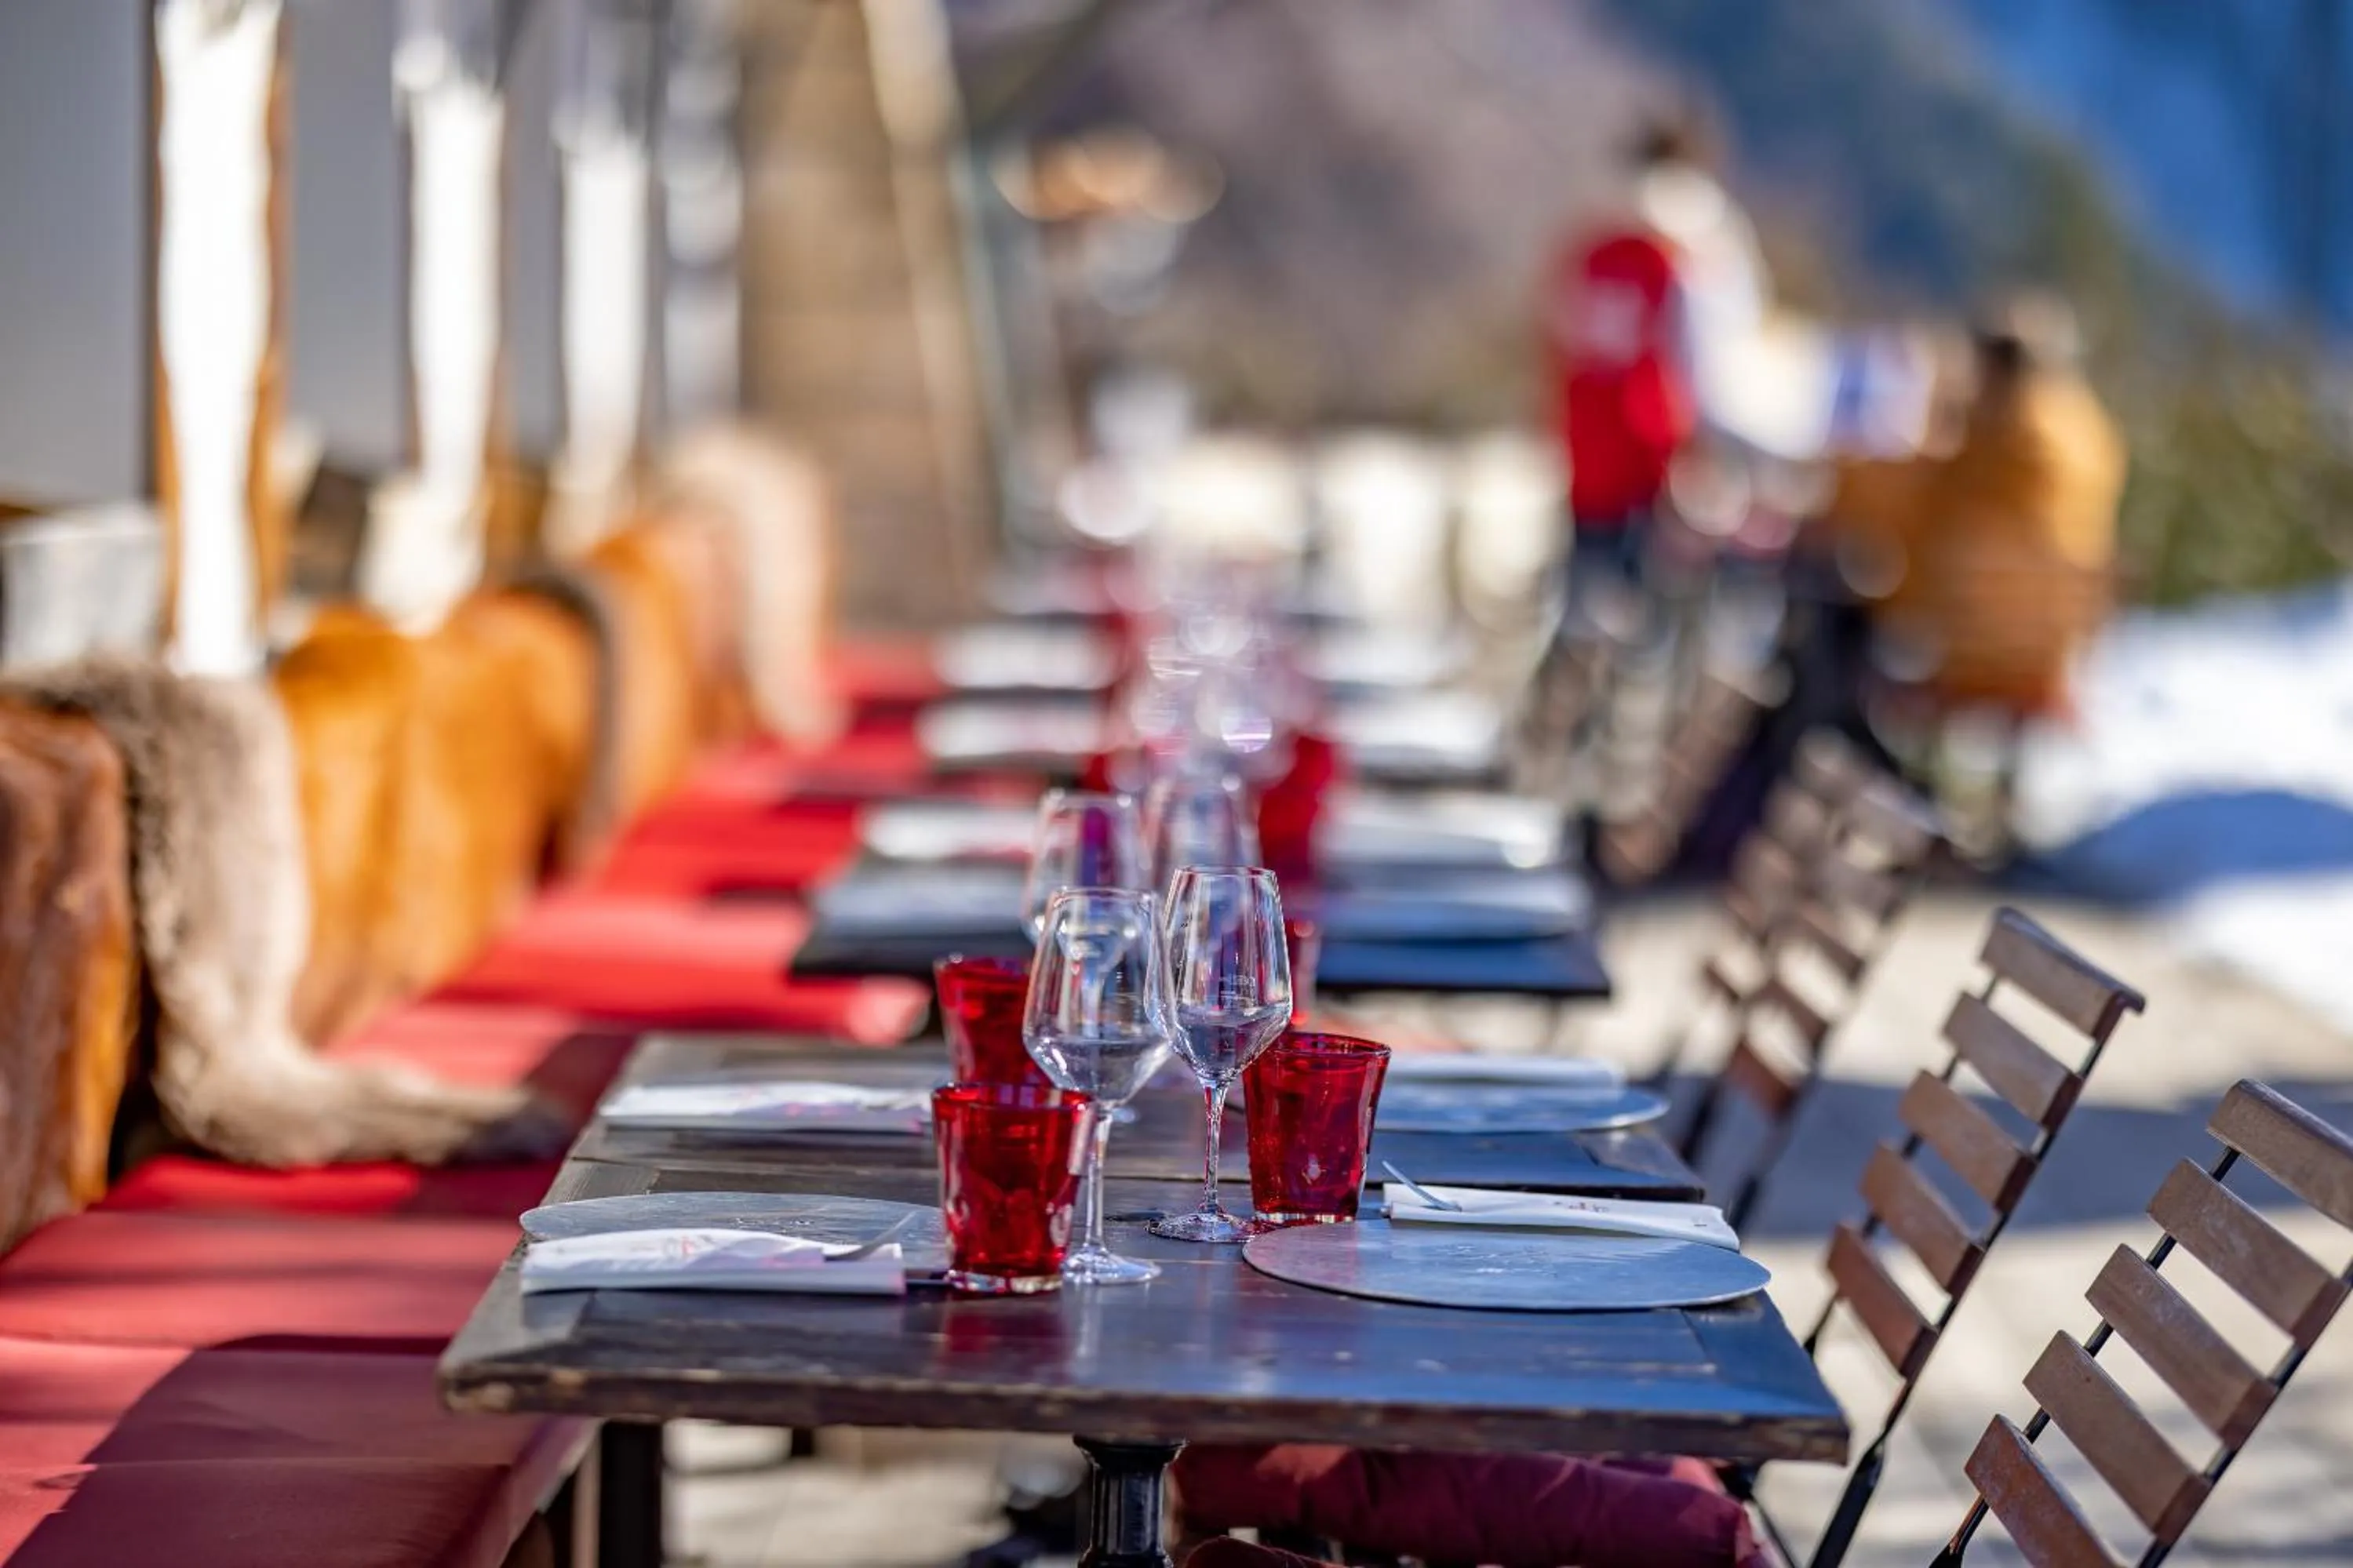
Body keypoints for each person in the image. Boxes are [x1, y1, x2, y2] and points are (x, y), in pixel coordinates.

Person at [1542, 109, 1770, 632]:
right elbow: (1711, 358)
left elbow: (1559, 343)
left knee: (1587, 610)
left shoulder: (1588, 248)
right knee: (1654, 620)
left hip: (1586, 446)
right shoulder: (1691, 250)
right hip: (1655, 452)